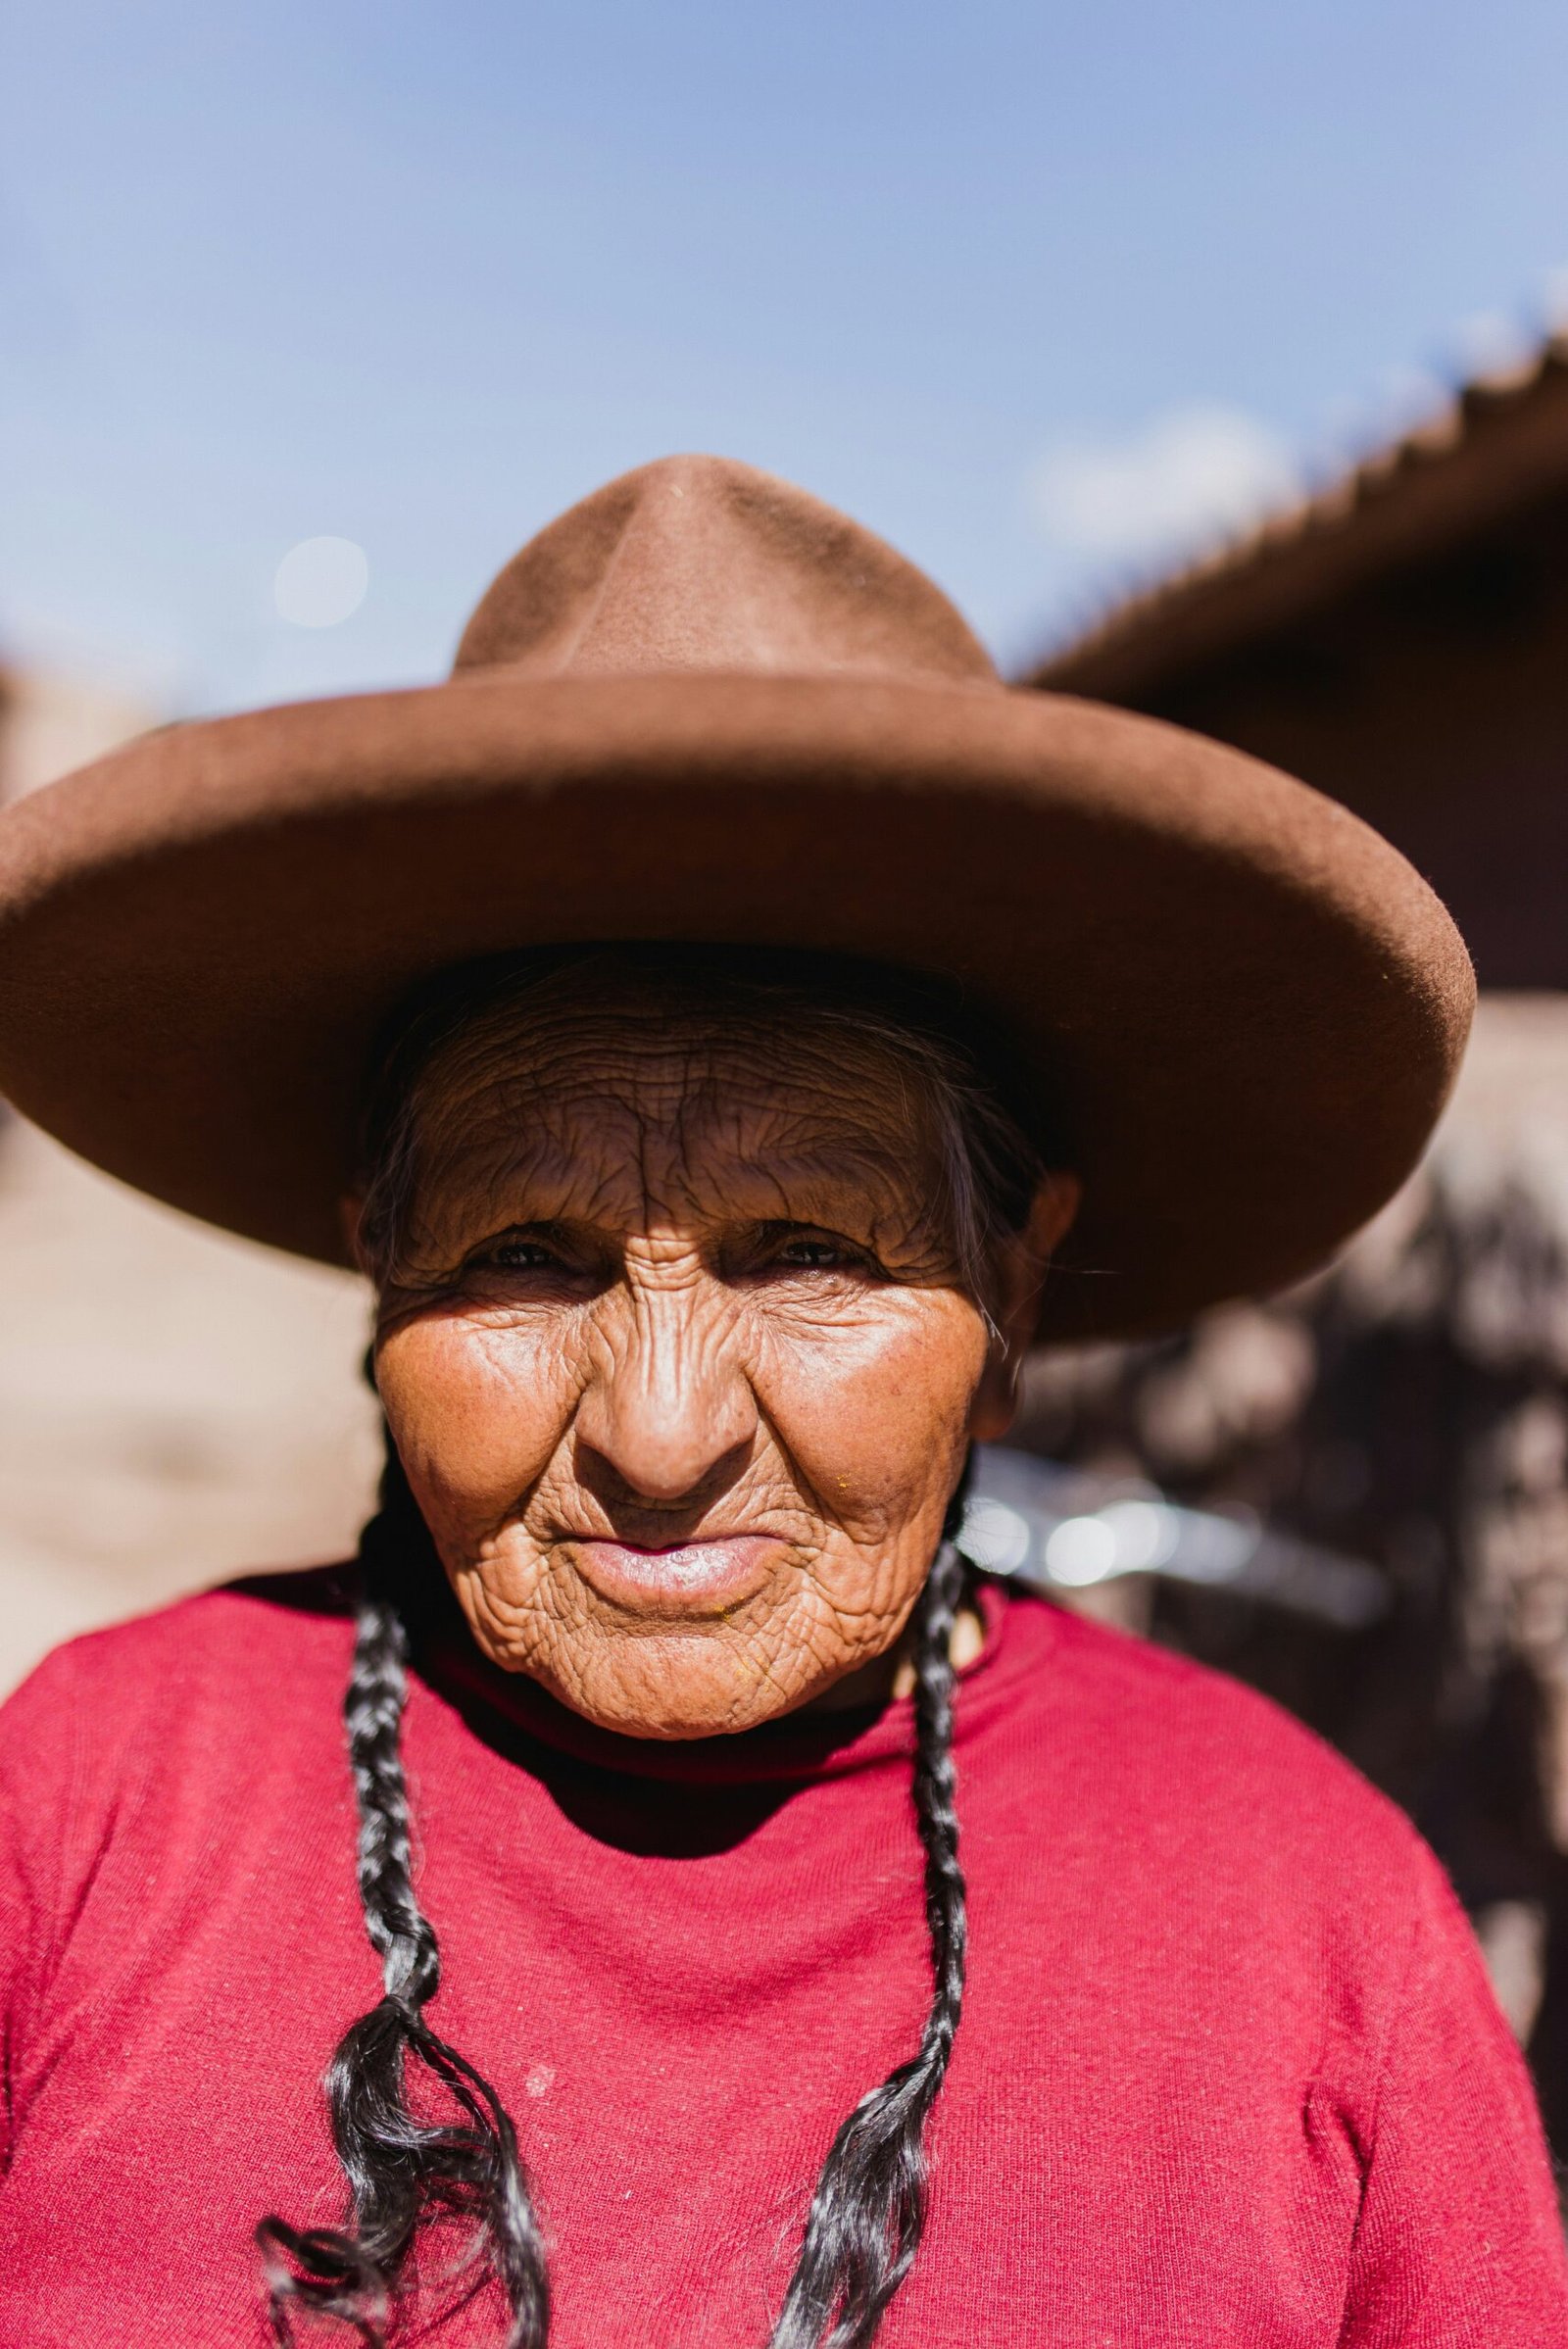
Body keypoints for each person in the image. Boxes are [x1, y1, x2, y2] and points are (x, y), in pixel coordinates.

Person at [0, 457, 1559, 2349]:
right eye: (525, 1254)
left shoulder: (1312, 1917)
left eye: (810, 1250)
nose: (661, 1441)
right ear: (377, 1264)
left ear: (1013, 1283)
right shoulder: (83, 1794)